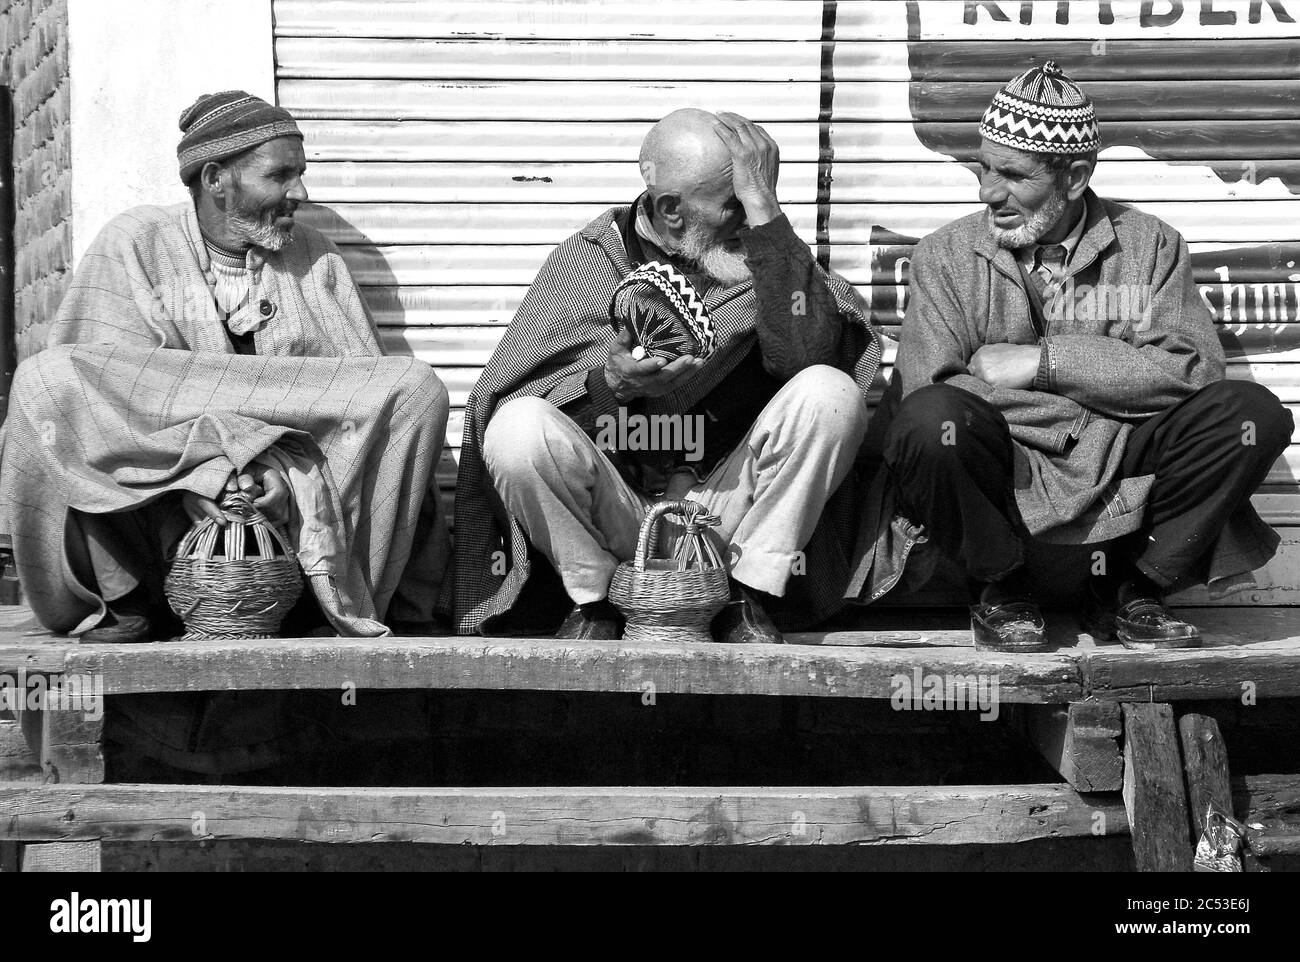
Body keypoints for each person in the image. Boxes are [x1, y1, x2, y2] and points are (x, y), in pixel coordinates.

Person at [0, 90, 452, 643]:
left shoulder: (316, 256)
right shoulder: (136, 241)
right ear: (215, 178)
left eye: (300, 174)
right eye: (280, 175)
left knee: (414, 388)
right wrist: (205, 473)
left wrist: (285, 474)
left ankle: (329, 598)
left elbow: (353, 422)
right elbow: (110, 421)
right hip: (159, 489)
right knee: (48, 381)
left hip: (292, 496)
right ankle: (127, 599)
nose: (300, 193)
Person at [873, 61, 1291, 650]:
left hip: (1124, 459)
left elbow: (1192, 372)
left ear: (1073, 177)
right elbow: (931, 388)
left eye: (1014, 175)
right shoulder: (943, 256)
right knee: (929, 424)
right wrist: (1102, 402)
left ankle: (1131, 588)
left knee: (1250, 417)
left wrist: (1045, 363)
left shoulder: (1151, 245)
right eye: (984, 168)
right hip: (1017, 460)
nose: (989, 192)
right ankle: (1002, 586)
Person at [449, 108, 883, 642]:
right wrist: (611, 385)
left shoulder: (773, 253)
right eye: (735, 204)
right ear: (672, 211)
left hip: (729, 513)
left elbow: (809, 353)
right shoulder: (594, 257)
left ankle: (746, 598)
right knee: (516, 428)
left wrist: (767, 213)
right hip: (619, 514)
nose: (749, 219)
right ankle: (597, 601)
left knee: (830, 392)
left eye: (758, 199)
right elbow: (510, 391)